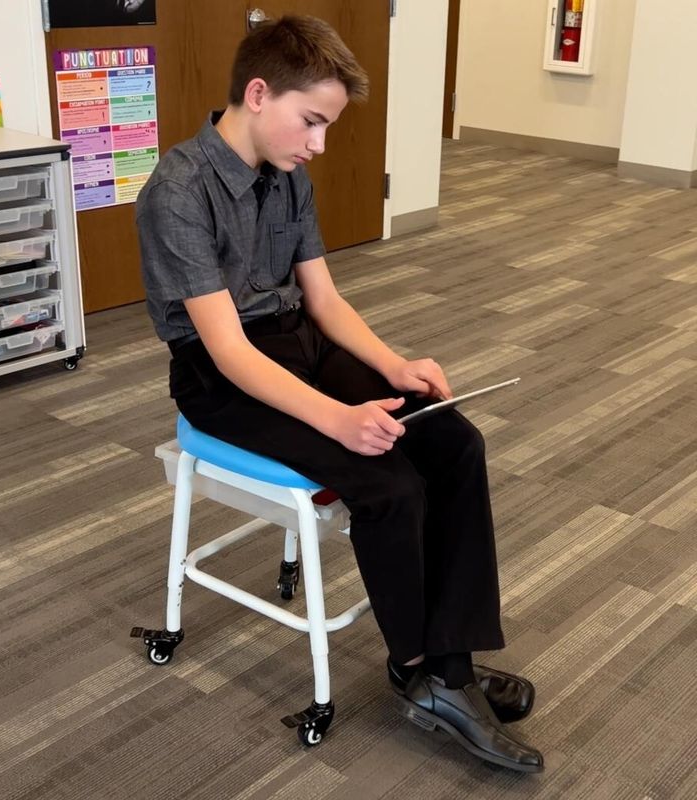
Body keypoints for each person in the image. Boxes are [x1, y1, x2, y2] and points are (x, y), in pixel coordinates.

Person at [136, 15, 543, 774]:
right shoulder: (178, 190)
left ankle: (449, 662)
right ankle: (425, 670)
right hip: (219, 376)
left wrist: (393, 365)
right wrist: (336, 418)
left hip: (298, 342)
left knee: (453, 440)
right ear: (259, 94)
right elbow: (225, 348)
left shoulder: (290, 177)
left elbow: (322, 300)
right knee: (386, 481)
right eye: (312, 121)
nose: (317, 143)